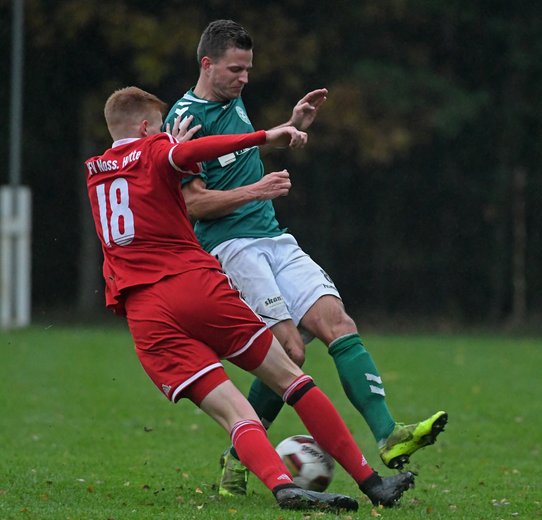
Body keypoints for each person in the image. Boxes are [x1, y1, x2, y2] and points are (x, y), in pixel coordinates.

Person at [83, 86, 417, 512]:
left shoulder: (95, 172)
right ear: (147, 127)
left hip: (145, 314)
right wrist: (265, 136)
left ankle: (282, 486)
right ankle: (372, 483)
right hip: (193, 288)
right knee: (291, 378)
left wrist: (170, 147)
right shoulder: (156, 149)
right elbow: (193, 151)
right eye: (161, 127)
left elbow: (148, 185)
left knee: (235, 414)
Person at [165, 19, 448, 497]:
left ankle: (389, 435)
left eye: (248, 69)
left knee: (338, 322)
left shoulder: (231, 100)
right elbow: (192, 204)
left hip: (274, 238)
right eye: (235, 70)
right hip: (232, 248)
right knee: (290, 352)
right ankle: (239, 456)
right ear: (207, 64)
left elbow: (241, 159)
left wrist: (292, 126)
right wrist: (258, 190)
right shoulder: (185, 121)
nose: (245, 78)